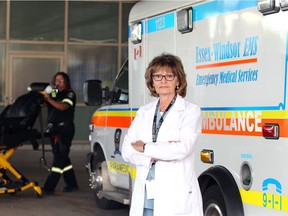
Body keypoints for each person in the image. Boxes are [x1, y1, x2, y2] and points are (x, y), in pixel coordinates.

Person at [121, 53, 203, 216]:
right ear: (152, 81)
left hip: (174, 197)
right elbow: (126, 150)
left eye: (169, 76)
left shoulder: (190, 111)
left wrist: (144, 147)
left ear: (178, 80)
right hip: (145, 196)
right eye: (157, 76)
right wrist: (157, 154)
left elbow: (181, 149)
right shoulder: (144, 112)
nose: (163, 80)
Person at [43, 72, 79, 194]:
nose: (58, 82)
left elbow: (63, 106)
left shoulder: (70, 94)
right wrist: (46, 97)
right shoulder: (55, 92)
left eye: (61, 80)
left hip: (65, 130)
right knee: (63, 157)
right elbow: (49, 102)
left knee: (58, 159)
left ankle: (49, 187)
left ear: (66, 82)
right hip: (55, 130)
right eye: (56, 80)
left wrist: (49, 99)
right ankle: (72, 184)